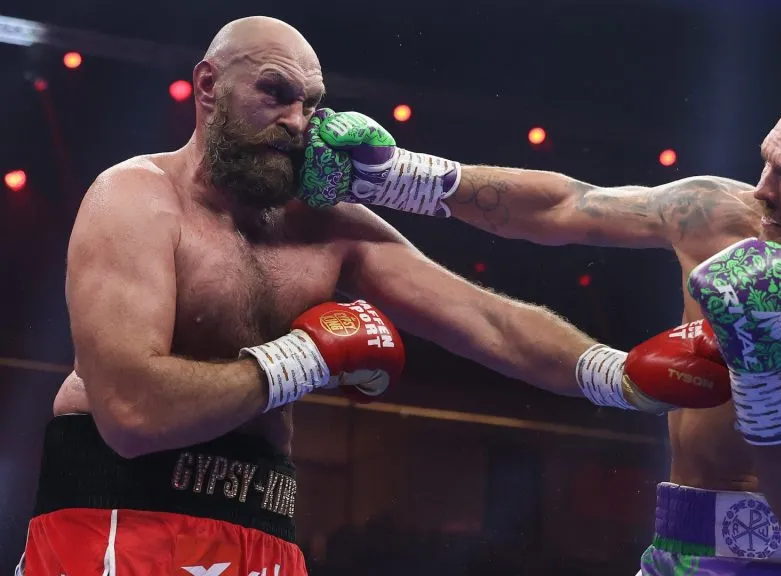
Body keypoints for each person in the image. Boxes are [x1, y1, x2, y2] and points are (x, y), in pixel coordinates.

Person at [18, 16, 720, 576]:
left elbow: (487, 321)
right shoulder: (136, 199)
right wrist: (305, 357)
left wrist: (617, 374)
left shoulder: (329, 229)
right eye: (275, 92)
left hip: (266, 530)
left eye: (311, 103)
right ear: (207, 86)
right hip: (120, 520)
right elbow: (132, 413)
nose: (297, 120)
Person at [300, 93, 781, 574]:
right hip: (682, 551)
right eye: (766, 162)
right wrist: (394, 178)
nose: (761, 190)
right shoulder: (717, 214)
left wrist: (768, 371)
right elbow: (565, 205)